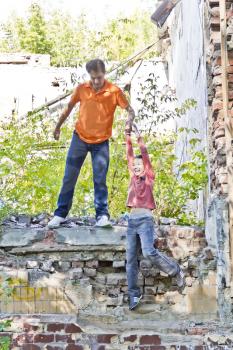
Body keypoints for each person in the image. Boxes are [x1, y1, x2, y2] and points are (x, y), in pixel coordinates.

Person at [48, 59, 135, 229]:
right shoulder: (82, 89)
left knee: (100, 180)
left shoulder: (114, 91)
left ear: (105, 74)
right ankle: (60, 214)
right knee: (69, 177)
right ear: (89, 76)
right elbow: (69, 107)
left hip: (101, 143)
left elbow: (130, 110)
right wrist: (57, 127)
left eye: (99, 77)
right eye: (93, 77)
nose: (96, 81)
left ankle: (102, 216)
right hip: (79, 139)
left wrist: (129, 122)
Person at [125, 125, 185, 310]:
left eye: (139, 165)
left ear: (145, 167)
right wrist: (127, 136)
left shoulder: (149, 176)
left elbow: (145, 155)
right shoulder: (132, 178)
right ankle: (134, 295)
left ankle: (175, 270)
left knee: (149, 252)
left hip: (145, 220)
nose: (135, 167)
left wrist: (138, 137)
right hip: (131, 221)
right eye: (134, 165)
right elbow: (129, 155)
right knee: (130, 259)